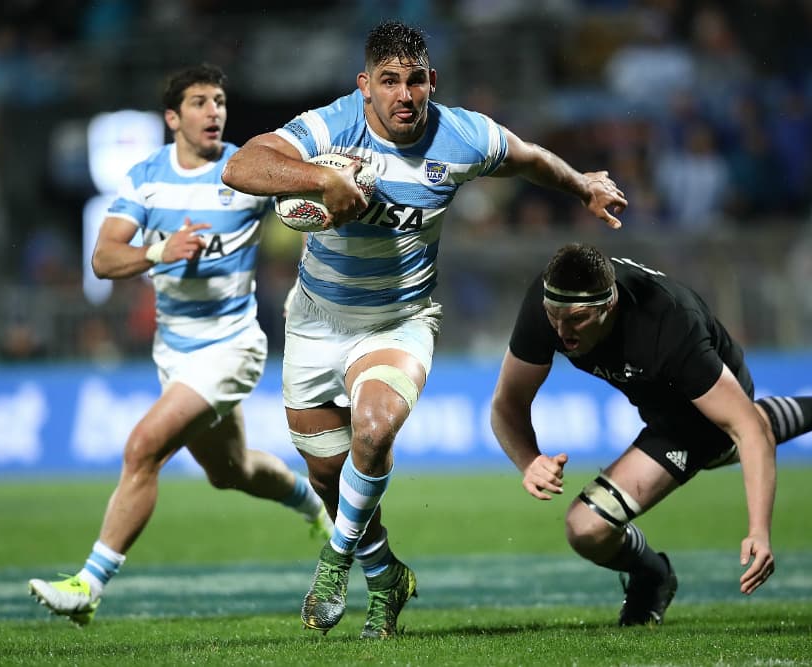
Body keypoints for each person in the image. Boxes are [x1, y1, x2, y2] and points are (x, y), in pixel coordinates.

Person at [220, 20, 628, 639]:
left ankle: (334, 565)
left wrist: (581, 185)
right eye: (389, 82)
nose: (404, 95)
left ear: (431, 81)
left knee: (375, 429)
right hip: (315, 322)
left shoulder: (461, 135)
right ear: (365, 87)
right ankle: (386, 577)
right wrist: (321, 178)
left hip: (400, 319)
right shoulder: (333, 126)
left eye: (415, 81)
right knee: (329, 480)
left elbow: (527, 159)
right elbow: (243, 166)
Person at [27, 64, 332, 626]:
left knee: (143, 447)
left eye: (219, 100)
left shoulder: (245, 170)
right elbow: (103, 258)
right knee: (231, 470)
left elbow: (307, 204)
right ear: (172, 118)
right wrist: (157, 252)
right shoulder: (145, 177)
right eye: (199, 102)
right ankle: (311, 503)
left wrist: (326, 194)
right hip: (175, 351)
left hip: (233, 346)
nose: (214, 110)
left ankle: (89, 584)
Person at [490, 243, 812, 626]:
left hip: (705, 402)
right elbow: (507, 403)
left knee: (590, 526)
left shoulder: (668, 329)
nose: (563, 331)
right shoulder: (552, 300)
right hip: (660, 406)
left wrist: (759, 531)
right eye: (554, 316)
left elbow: (750, 429)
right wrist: (529, 460)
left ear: (610, 302)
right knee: (594, 526)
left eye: (578, 319)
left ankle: (652, 578)